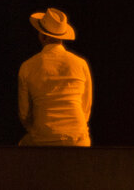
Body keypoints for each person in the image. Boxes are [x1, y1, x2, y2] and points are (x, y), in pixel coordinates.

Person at [18, 8, 92, 146]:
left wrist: (37, 130)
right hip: (77, 138)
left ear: (42, 36)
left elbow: (24, 113)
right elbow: (85, 108)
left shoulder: (27, 66)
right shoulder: (81, 64)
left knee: (22, 147)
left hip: (43, 137)